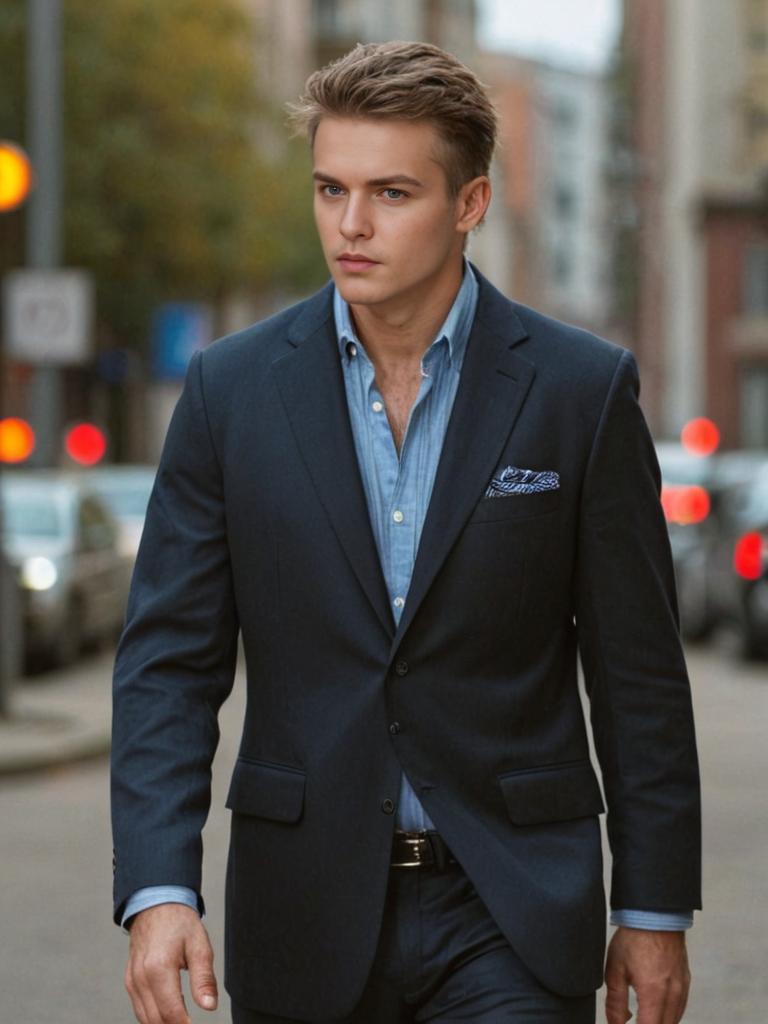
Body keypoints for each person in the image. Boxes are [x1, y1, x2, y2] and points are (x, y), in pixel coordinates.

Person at [111, 41, 701, 1024]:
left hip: (509, 908)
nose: (350, 225)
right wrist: (158, 886)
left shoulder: (578, 392)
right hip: (302, 905)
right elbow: (168, 661)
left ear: (468, 204)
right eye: (330, 189)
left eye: (390, 193)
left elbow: (637, 671)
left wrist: (651, 903)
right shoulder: (233, 393)